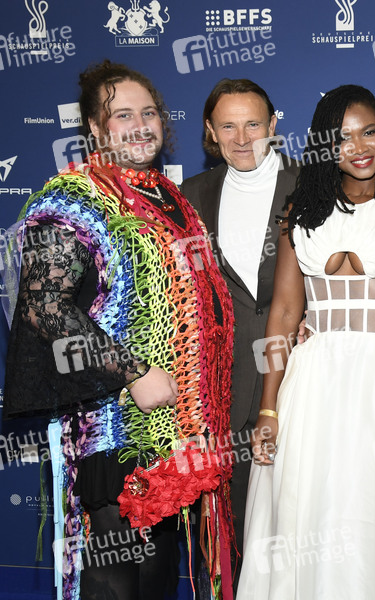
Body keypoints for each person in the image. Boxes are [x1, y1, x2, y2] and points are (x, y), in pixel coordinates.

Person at [3, 60, 235, 599]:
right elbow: (43, 306)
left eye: (148, 113)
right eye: (122, 115)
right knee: (116, 580)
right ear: (94, 127)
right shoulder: (74, 198)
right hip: (109, 425)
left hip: (171, 427)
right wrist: (134, 372)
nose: (140, 125)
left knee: (156, 577)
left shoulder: (167, 198)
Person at [181, 79, 375, 588]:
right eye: (228, 126)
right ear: (210, 132)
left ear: (274, 125)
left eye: (253, 124)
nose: (242, 138)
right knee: (243, 535)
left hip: (311, 382)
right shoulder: (190, 197)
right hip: (226, 387)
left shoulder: (312, 183)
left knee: (341, 511)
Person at [236, 85, 375, 599]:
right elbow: (284, 314)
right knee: (311, 509)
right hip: (313, 388)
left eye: (369, 132)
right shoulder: (298, 215)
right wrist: (268, 407)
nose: (359, 147)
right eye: (343, 138)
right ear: (324, 146)